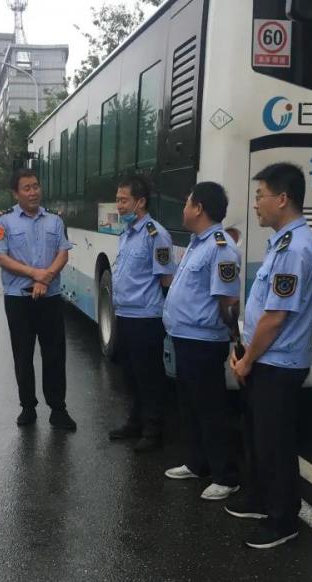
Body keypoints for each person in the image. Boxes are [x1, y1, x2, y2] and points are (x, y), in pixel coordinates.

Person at [228, 163, 312, 549]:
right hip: (266, 358)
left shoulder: (295, 249)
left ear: (282, 199)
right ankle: (260, 499)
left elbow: (276, 316)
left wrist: (247, 359)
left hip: (278, 363)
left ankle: (283, 519)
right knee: (258, 435)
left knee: (275, 442)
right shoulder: (282, 243)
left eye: (259, 196)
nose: (255, 204)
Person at [162, 182, 242, 500]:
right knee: (190, 406)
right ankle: (197, 463)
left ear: (199, 208)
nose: (183, 208)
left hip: (204, 342)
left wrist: (234, 337)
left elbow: (228, 301)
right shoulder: (198, 243)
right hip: (184, 337)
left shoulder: (221, 247)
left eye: (187, 203)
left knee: (211, 409)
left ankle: (225, 475)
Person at [0, 168, 77, 431]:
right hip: (19, 300)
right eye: (26, 188)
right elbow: (0, 257)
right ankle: (28, 407)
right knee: (23, 355)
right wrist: (34, 274)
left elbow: (63, 253)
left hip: (50, 298)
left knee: (54, 355)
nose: (33, 192)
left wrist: (44, 279)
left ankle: (58, 409)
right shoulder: (4, 222)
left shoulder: (54, 220)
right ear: (16, 193)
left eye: (36, 186)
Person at [108, 175, 176, 453]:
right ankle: (134, 422)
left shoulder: (155, 235)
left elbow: (166, 279)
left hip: (146, 318)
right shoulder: (126, 234)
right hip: (125, 315)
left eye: (124, 200)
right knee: (130, 374)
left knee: (149, 377)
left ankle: (153, 429)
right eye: (118, 200)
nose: (119, 205)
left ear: (141, 202)